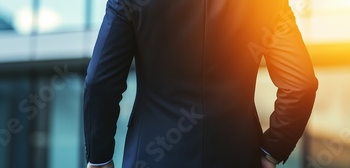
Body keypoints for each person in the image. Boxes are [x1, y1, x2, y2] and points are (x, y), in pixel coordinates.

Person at [83, 0, 318, 167]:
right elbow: (301, 83)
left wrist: (100, 157)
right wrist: (272, 151)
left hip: (153, 156)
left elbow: (99, 83)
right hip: (237, 156)